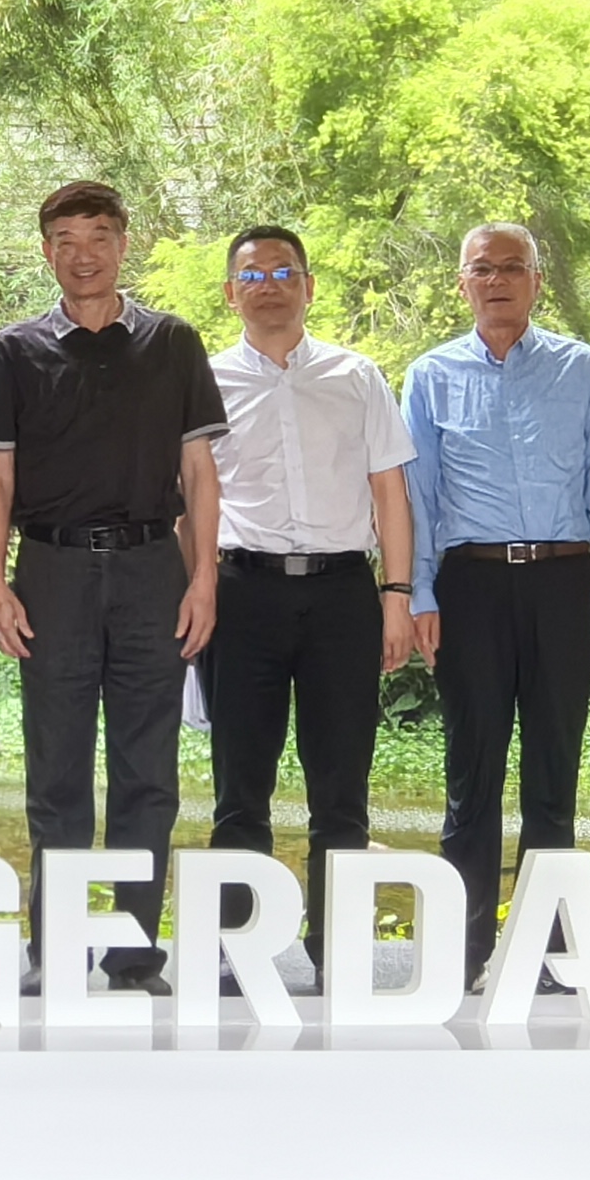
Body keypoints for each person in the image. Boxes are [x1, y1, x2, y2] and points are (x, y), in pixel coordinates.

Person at [0, 180, 226, 973]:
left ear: (123, 244)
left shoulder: (172, 342)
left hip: (153, 569)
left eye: (98, 238)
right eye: (66, 241)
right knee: (56, 769)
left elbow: (199, 471)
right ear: (47, 252)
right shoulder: (12, 351)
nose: (83, 255)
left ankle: (132, 948)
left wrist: (204, 578)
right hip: (52, 572)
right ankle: (53, 949)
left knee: (147, 769)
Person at [400, 223, 590, 984]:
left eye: (512, 267)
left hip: (564, 582)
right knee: (473, 768)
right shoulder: (431, 375)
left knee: (553, 767)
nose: (497, 280)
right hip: (469, 585)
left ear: (536, 279)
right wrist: (419, 590)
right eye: (482, 269)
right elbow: (418, 496)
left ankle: (544, 950)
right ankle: (463, 948)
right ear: (462, 283)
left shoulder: (580, 366)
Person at [202, 225, 417, 971]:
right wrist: (195, 588)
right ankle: (237, 954)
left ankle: (336, 953)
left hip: (342, 597)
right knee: (240, 788)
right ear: (230, 293)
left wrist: (397, 594)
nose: (269, 285)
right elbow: (190, 500)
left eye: (283, 272)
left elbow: (389, 491)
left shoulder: (357, 375)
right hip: (241, 595)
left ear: (309, 286)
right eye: (252, 275)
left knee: (341, 787)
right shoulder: (205, 381)